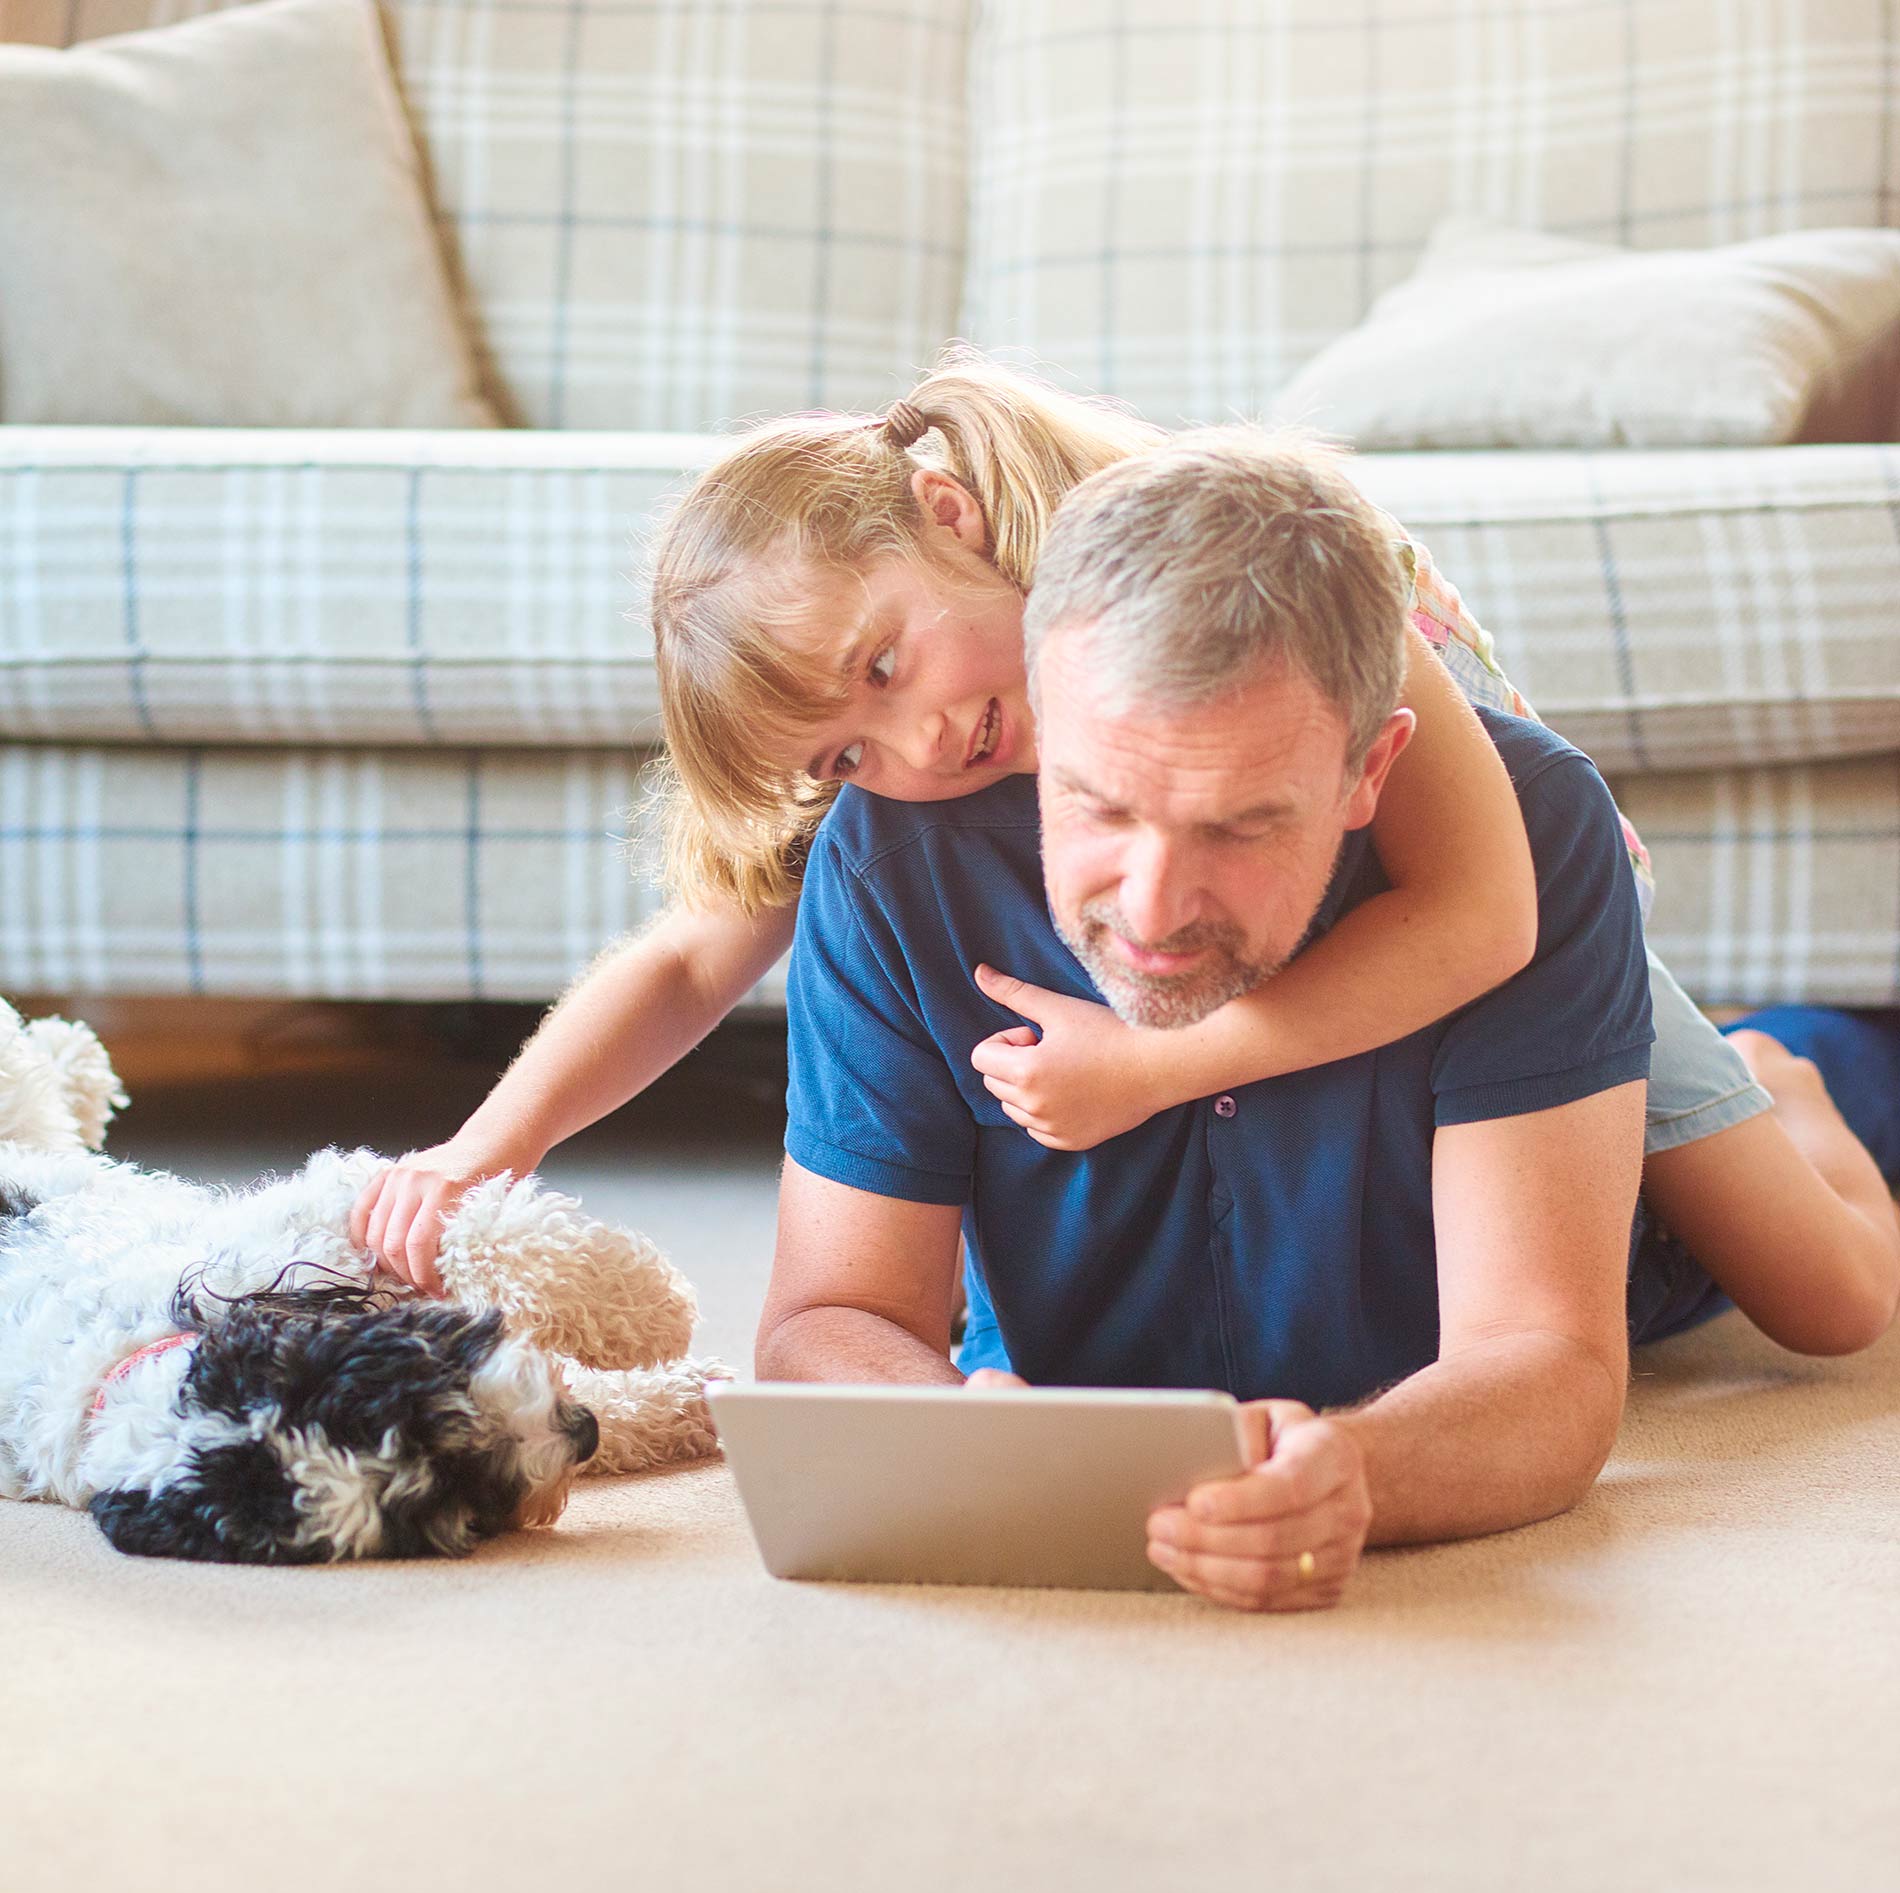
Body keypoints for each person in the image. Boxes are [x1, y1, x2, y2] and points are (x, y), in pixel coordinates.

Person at [352, 355, 1889, 1370]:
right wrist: (482, 1148)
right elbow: (697, 953)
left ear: (949, 515)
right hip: (1334, 930)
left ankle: (1791, 1081)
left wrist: (1150, 1073)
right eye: (846, 754)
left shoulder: (1256, 569)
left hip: (1511, 908)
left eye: (887, 661)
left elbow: (1484, 915)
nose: (916, 743)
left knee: (1830, 1299)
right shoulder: (919, 761)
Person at [754, 430, 1900, 1609]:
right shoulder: (890, 853)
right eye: (1096, 806)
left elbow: (1547, 1362)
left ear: (1370, 771)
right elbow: (826, 1316)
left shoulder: (1532, 829)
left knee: (1836, 1300)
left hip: (1645, 1222)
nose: (1149, 911)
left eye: (1240, 826)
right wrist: (944, 1427)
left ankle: (1785, 1071)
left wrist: (1358, 1469)